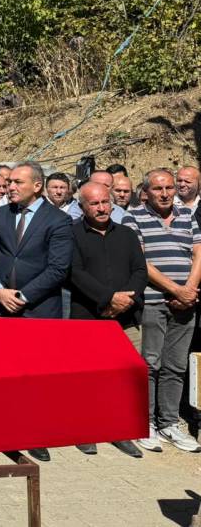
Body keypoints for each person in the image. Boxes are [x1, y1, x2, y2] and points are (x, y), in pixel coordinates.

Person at [0, 163, 73, 462]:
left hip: (37, 308)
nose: (10, 187)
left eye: (17, 182)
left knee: (34, 376)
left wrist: (22, 296)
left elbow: (58, 268)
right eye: (9, 182)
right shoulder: (0, 214)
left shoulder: (58, 220)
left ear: (36, 186)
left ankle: (33, 433)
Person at [122, 169, 201, 453]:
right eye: (158, 189)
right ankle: (146, 423)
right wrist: (176, 289)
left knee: (175, 366)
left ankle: (169, 422)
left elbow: (199, 253)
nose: (165, 193)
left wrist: (189, 289)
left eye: (169, 187)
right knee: (150, 364)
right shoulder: (133, 217)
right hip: (154, 301)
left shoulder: (187, 215)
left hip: (187, 303)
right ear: (146, 191)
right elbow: (140, 261)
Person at [68, 183, 146, 458]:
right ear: (82, 207)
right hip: (89, 318)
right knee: (88, 379)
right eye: (94, 204)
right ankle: (85, 431)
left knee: (122, 379)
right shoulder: (72, 234)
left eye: (105, 202)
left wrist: (125, 300)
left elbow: (140, 270)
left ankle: (119, 431)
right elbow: (74, 272)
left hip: (127, 318)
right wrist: (108, 298)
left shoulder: (126, 234)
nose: (101, 208)